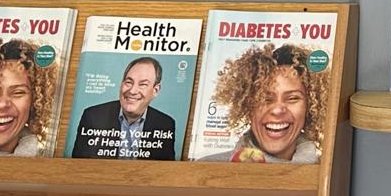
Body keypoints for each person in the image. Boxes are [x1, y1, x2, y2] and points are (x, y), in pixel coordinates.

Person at [198, 45, 327, 164]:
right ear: (247, 105)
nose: (277, 110)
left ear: (310, 106)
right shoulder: (208, 168)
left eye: (292, 98)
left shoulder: (330, 171)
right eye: (265, 98)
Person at [72, 57, 178, 159]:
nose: (132, 91)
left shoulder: (165, 124)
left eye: (142, 84)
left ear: (155, 90)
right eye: (128, 82)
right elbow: (78, 165)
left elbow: (165, 168)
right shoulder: (92, 116)